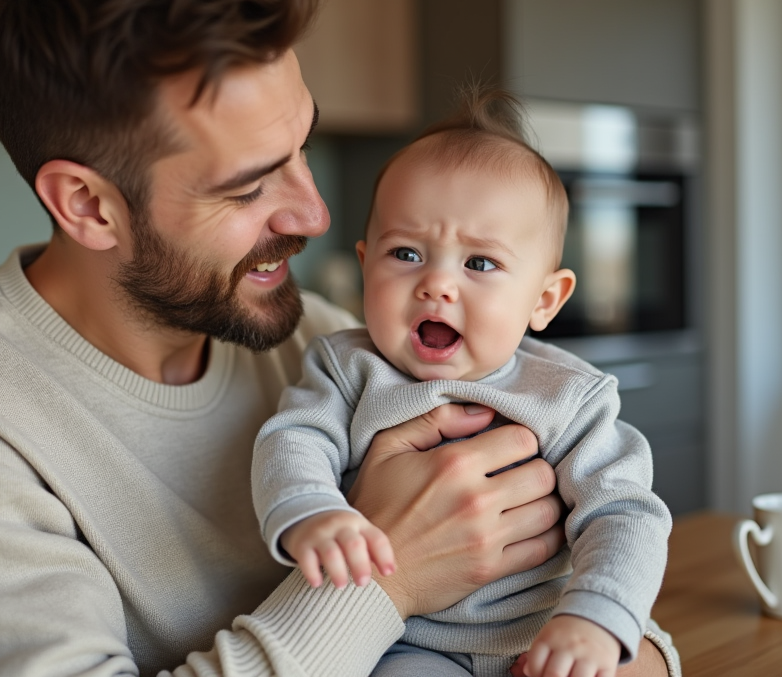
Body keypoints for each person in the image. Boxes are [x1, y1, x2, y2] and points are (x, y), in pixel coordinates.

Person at [0, 0, 676, 677]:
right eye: (247, 187)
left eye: (303, 147)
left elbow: (613, 600)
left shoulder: (332, 342)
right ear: (88, 205)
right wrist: (394, 578)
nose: (313, 212)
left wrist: (606, 641)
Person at [252, 87, 675, 677]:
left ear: (545, 299)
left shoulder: (568, 395)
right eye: (404, 253)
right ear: (364, 259)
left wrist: (597, 618)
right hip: (405, 643)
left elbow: (625, 513)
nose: (437, 285)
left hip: (539, 636)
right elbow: (293, 439)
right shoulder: (346, 366)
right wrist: (311, 511)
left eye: (479, 263)